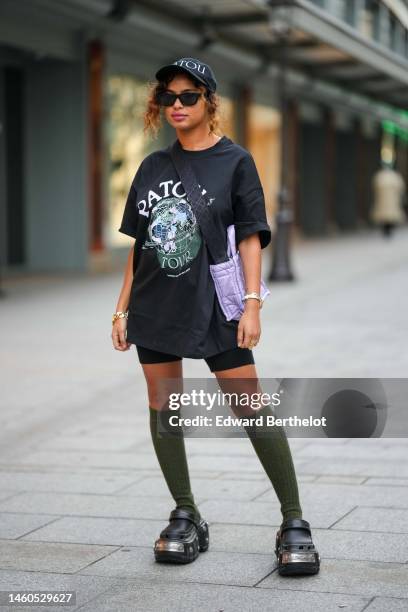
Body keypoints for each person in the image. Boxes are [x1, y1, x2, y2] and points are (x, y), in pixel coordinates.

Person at [111, 57, 320, 575]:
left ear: (210, 102)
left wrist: (252, 303)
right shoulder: (152, 166)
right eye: (168, 97)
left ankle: (294, 519)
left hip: (216, 306)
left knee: (251, 407)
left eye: (188, 96)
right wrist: (121, 309)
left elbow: (250, 236)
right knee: (164, 406)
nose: (176, 106)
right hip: (156, 303)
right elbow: (139, 248)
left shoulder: (236, 161)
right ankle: (186, 512)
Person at [371, 161, 406, 238]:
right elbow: (400, 187)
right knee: (390, 216)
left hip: (384, 200)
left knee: (385, 216)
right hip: (391, 200)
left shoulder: (380, 176)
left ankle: (386, 230)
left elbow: (375, 186)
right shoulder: (395, 176)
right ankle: (388, 230)